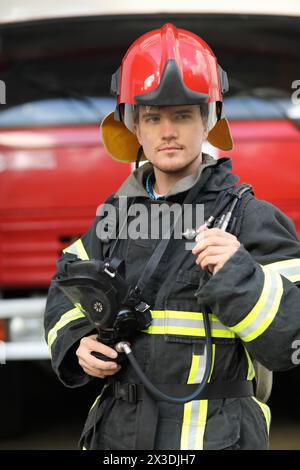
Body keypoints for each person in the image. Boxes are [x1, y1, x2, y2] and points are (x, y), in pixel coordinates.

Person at [44, 23, 300, 450]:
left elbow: (291, 341)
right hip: (119, 435)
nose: (167, 131)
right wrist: (76, 343)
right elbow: (65, 284)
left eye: (182, 115)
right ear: (135, 130)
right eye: (153, 117)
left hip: (217, 436)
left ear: (208, 122)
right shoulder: (115, 217)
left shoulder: (252, 219)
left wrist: (240, 274)